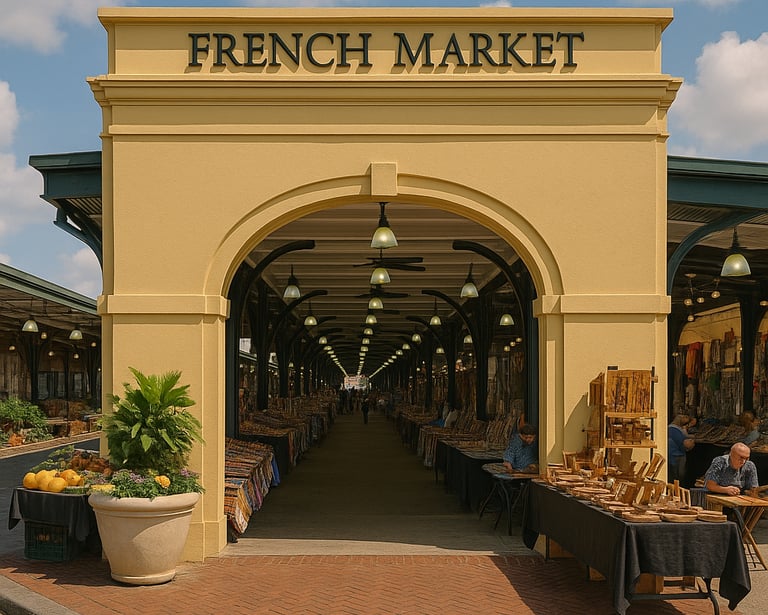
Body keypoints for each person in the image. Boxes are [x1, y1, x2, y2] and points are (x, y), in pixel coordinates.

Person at [667, 414, 695, 483]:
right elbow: (684, 444)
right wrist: (690, 443)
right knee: (678, 476)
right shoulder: (673, 429)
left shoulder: (677, 429)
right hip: (676, 455)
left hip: (677, 454)